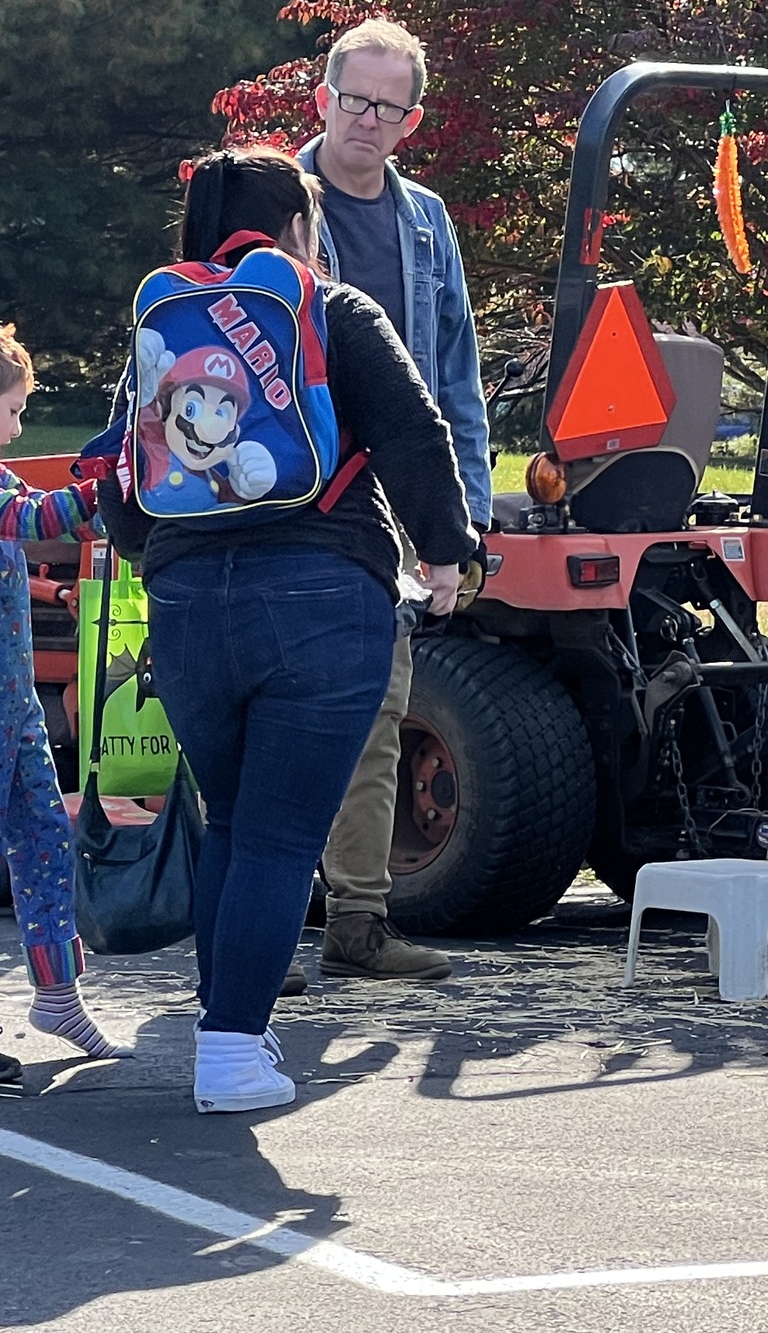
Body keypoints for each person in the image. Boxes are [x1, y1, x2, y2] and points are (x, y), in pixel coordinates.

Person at [98, 149, 475, 1114]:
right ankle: (229, 1055)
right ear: (299, 226)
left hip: (188, 611)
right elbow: (413, 432)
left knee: (234, 823)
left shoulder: (164, 326)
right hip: (320, 595)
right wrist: (447, 552)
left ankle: (229, 1026)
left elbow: (126, 490)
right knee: (277, 836)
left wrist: (168, 559)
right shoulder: (334, 310)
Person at [297, 17, 492, 983]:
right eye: (355, 99)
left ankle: (360, 921)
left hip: (385, 493)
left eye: (390, 106)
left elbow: (452, 378)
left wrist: (463, 516)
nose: (369, 120)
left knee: (382, 706)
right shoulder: (270, 200)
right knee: (272, 710)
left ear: (411, 121)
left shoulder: (425, 222)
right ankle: (258, 920)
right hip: (281, 495)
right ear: (322, 97)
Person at [0, 331, 127, 1081]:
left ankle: (57, 992)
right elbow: (34, 523)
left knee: (47, 833)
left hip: (14, 709)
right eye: (11, 412)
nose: (17, 429)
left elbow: (44, 515)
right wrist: (105, 484)